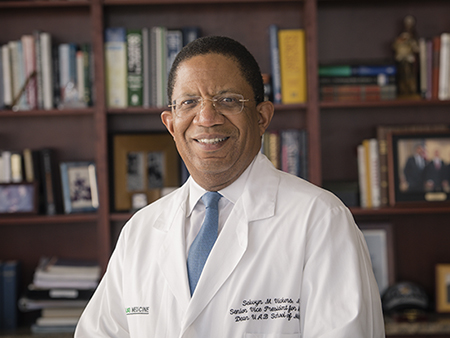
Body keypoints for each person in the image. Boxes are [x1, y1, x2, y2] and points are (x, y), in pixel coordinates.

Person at [75, 36, 384, 337]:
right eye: (189, 102)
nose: (207, 117)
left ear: (262, 117)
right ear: (171, 124)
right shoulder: (139, 231)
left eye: (228, 100)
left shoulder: (320, 219)